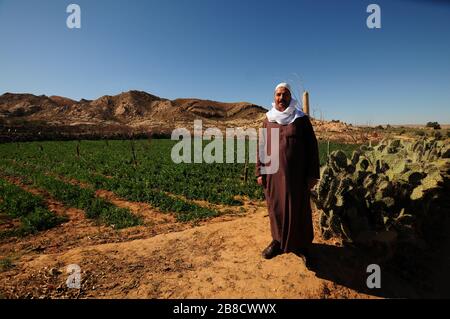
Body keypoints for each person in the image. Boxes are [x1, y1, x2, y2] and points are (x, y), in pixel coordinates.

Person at [256, 82, 320, 260]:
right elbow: (261, 146)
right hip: (273, 175)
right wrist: (259, 172)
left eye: (285, 95)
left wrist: (313, 175)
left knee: (299, 210)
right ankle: (277, 241)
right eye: (278, 95)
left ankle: (303, 246)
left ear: (290, 97)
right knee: (275, 209)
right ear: (274, 97)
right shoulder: (268, 120)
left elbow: (312, 147)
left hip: (297, 176)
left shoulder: (300, 119)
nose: (281, 98)